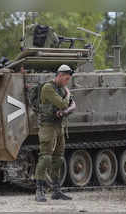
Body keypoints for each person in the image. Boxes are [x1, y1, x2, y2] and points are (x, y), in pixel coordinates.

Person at [35, 64, 76, 202]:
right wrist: (68, 95)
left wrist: (65, 110)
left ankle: (56, 190)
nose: (67, 82)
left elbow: (73, 105)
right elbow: (65, 104)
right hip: (48, 126)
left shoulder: (60, 88)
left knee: (58, 159)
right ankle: (39, 190)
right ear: (59, 75)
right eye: (65, 79)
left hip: (59, 126)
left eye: (68, 79)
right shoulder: (48, 88)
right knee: (45, 157)